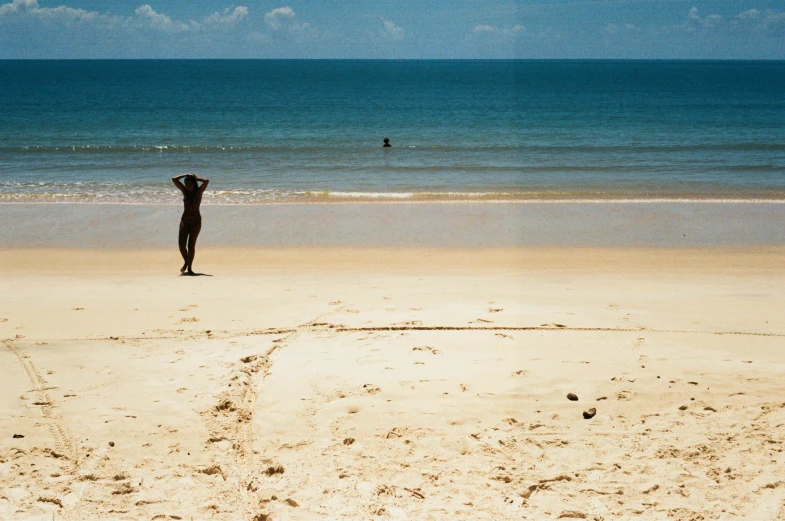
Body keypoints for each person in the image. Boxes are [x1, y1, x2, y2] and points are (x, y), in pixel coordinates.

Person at [172, 173, 209, 275]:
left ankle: (189, 268)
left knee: (191, 246)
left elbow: (206, 181)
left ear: (194, 184)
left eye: (190, 184)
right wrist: (185, 175)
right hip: (185, 221)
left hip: (196, 222)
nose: (188, 186)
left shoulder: (199, 192)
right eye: (186, 184)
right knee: (181, 245)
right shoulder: (185, 191)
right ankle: (186, 262)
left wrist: (196, 178)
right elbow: (174, 179)